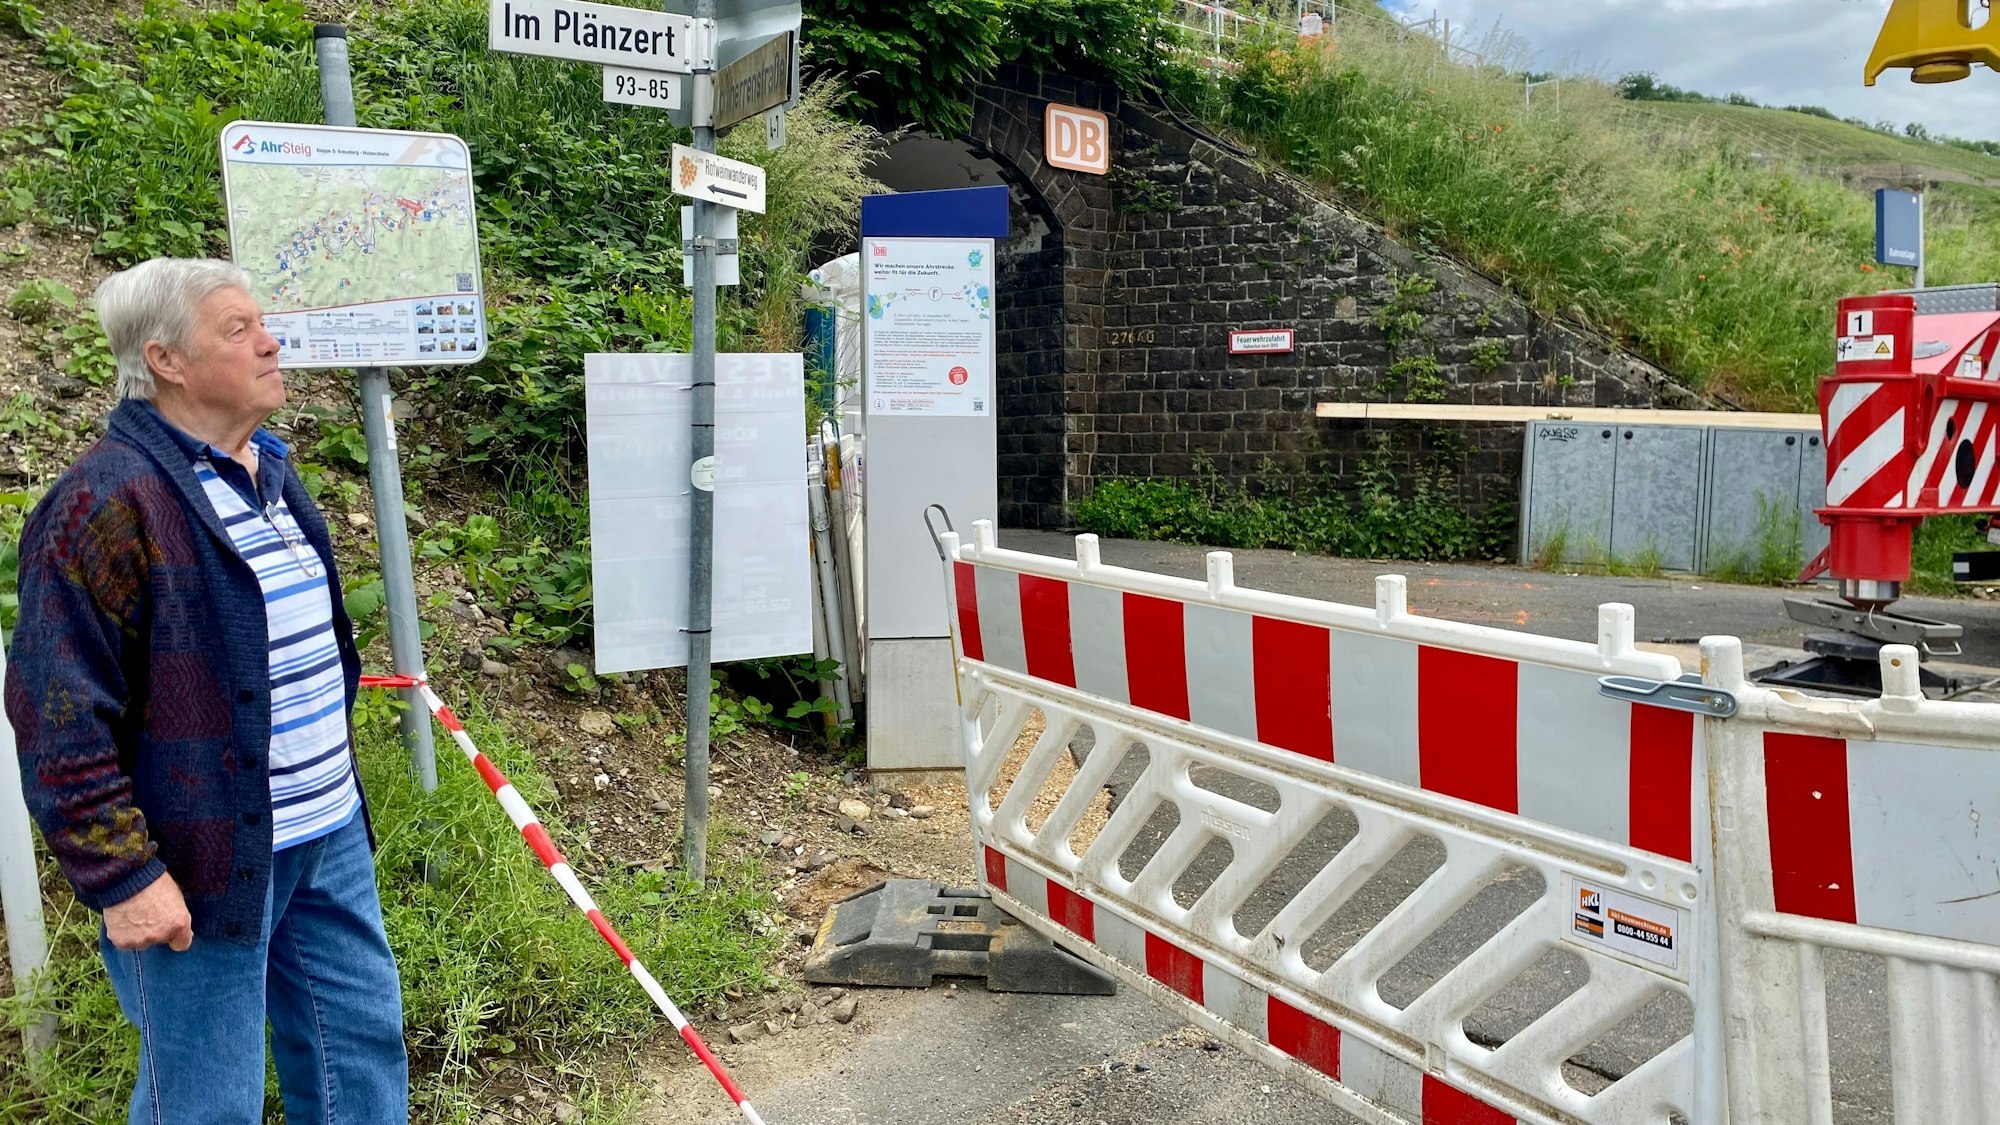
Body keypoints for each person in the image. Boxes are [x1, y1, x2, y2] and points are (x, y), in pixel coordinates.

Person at [4, 258, 408, 1123]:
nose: (271, 341)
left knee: (359, 1062)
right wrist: (123, 875)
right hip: (198, 862)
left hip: (323, 835)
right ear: (167, 361)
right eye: (238, 329)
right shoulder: (102, 504)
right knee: (205, 1103)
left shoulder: (267, 473)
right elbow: (55, 719)